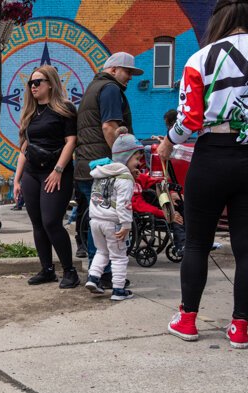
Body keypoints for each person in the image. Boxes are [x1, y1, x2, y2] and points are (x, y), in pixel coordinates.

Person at [158, 0, 248, 348]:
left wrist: (168, 142)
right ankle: (240, 326)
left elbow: (189, 119)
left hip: (213, 154)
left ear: (219, 18)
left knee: (197, 242)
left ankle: (187, 320)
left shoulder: (200, 58)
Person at [75, 52, 143, 288]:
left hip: (88, 165)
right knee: (107, 224)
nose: (130, 77)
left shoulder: (93, 88)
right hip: (104, 166)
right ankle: (104, 275)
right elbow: (109, 127)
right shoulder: (110, 89)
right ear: (113, 70)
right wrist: (122, 164)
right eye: (128, 71)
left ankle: (97, 274)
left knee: (97, 221)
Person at [13, 65, 80, 288]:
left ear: (50, 83)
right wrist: (17, 179)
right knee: (38, 223)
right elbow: (24, 148)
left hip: (57, 172)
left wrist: (58, 170)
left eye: (37, 82)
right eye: (30, 83)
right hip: (32, 173)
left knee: (51, 221)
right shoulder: (30, 113)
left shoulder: (65, 109)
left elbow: (71, 141)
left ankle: (70, 271)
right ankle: (47, 270)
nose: (33, 86)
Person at [84, 128, 141, 300]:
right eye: (136, 158)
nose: (139, 163)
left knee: (102, 251)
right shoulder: (124, 178)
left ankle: (93, 278)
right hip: (113, 223)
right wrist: (126, 225)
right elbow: (124, 205)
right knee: (119, 257)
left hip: (95, 221)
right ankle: (118, 290)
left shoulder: (102, 172)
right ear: (126, 157)